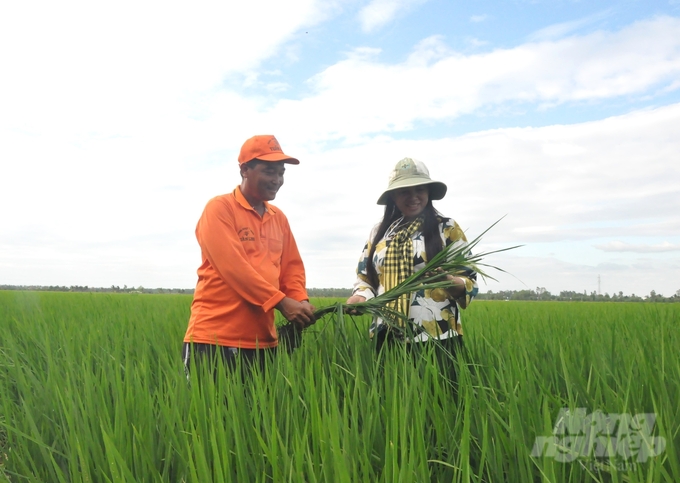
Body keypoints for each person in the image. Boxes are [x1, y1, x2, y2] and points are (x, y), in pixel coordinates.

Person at [183, 135, 316, 378]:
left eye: (281, 172)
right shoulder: (220, 209)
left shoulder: (279, 218)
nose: (277, 180)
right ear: (245, 169)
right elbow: (234, 269)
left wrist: (300, 300)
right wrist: (282, 303)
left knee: (255, 415)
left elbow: (291, 269)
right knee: (211, 414)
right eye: (269, 171)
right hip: (214, 339)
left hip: (263, 342)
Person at [346, 157, 478, 358]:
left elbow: (470, 280)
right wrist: (359, 297)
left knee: (440, 389)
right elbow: (365, 279)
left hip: (437, 336)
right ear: (393, 197)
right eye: (404, 191)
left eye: (419, 190)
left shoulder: (447, 228)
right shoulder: (380, 233)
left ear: (428, 193)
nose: (413, 197)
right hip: (386, 335)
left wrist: (449, 282)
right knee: (389, 389)